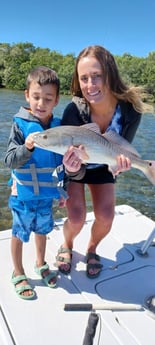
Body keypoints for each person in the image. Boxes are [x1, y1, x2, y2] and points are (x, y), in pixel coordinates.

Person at [56, 44, 151, 278]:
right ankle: (67, 244)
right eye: (84, 78)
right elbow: (66, 157)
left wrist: (121, 165)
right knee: (76, 218)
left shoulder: (130, 111)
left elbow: (121, 147)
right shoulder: (73, 111)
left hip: (104, 163)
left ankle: (92, 249)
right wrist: (69, 168)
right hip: (76, 166)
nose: (90, 85)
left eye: (96, 76)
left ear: (110, 74)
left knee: (106, 216)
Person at [4, 66, 68, 299]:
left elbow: (63, 163)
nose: (41, 103)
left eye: (48, 99)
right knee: (19, 232)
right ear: (27, 96)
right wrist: (27, 147)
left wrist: (64, 191)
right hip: (23, 194)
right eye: (36, 97)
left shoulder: (60, 127)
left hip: (47, 194)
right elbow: (10, 160)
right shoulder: (20, 126)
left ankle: (40, 264)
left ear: (57, 100)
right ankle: (18, 271)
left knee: (43, 230)